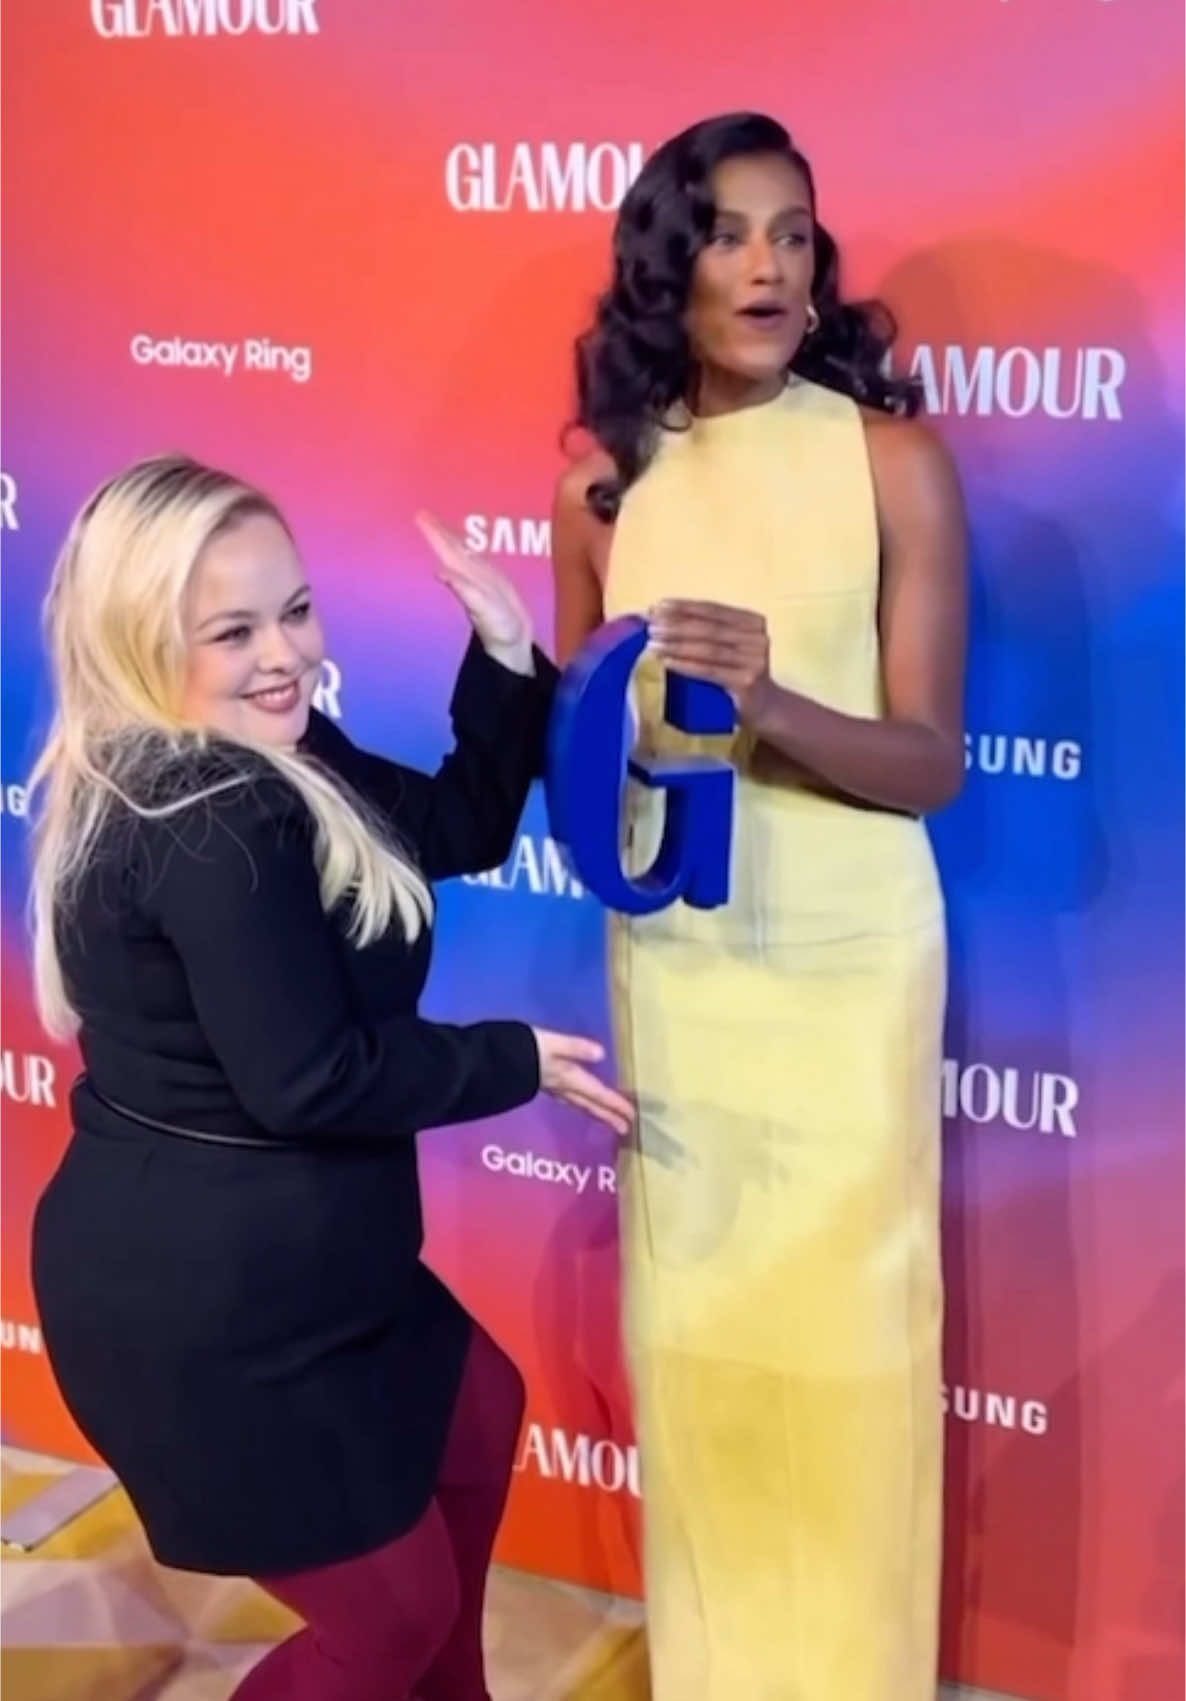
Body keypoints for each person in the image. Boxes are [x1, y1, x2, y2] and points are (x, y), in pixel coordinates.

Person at [28, 453, 633, 1701]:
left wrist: (507, 651)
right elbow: (309, 1079)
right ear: (141, 642)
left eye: (295, 612)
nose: (284, 656)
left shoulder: (273, 754)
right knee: (389, 1621)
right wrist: (510, 1058)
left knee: (473, 1417)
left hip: (306, 1259)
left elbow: (457, 826)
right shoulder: (206, 813)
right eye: (232, 630)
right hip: (205, 1309)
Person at [551, 113, 967, 1700]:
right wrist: (516, 685)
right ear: (669, 263)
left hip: (847, 965)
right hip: (684, 963)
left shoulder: (888, 462)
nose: (770, 266)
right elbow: (581, 757)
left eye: (793, 233)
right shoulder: (601, 483)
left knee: (854, 1353)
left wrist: (771, 699)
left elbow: (927, 763)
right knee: (701, 1340)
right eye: (730, 233)